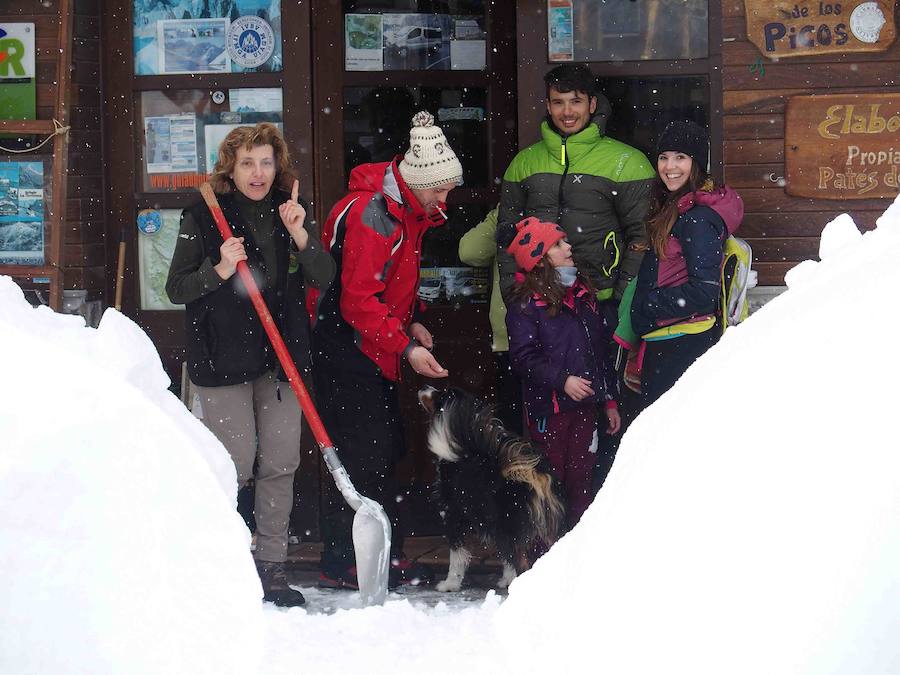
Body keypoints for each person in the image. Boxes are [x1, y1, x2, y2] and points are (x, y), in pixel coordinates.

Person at [166, 123, 335, 607]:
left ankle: (272, 568)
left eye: (265, 162)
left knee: (280, 463)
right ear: (230, 168)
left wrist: (301, 234)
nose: (257, 173)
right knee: (232, 466)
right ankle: (222, 564)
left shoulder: (289, 212)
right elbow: (175, 289)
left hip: (282, 359)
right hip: (222, 359)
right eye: (246, 163)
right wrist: (218, 268)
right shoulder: (203, 215)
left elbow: (325, 278)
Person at [312, 110, 461, 589]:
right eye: (440, 189)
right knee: (362, 455)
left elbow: (393, 283)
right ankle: (345, 559)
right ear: (416, 182)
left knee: (386, 447)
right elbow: (358, 302)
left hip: (376, 345)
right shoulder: (373, 216)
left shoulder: (410, 211)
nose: (446, 198)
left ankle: (381, 552)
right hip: (346, 345)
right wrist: (405, 348)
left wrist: (411, 318)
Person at [497, 63, 655, 304]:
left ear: (592, 104)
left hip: (601, 298)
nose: (567, 112)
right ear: (548, 106)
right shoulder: (523, 163)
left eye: (576, 101)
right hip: (537, 299)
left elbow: (642, 238)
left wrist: (621, 300)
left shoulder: (628, 162)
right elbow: (508, 235)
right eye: (558, 102)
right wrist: (514, 295)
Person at [505, 216, 621, 530]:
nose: (568, 247)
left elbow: (600, 353)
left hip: (586, 409)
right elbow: (523, 358)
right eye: (558, 243)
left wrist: (608, 400)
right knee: (550, 484)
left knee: (582, 480)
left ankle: (578, 552)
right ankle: (548, 557)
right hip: (551, 411)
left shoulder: (585, 297)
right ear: (540, 258)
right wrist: (562, 380)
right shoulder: (526, 305)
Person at [628, 120, 744, 407]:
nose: (670, 166)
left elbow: (704, 292)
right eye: (664, 157)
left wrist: (648, 305)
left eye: (681, 157)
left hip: (681, 342)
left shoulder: (699, 219)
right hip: (671, 336)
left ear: (697, 164)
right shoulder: (679, 207)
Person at [458, 206, 523, 434]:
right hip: (514, 336)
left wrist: (501, 215)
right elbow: (469, 251)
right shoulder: (509, 212)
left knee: (517, 428)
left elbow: (470, 251)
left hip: (512, 336)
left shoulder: (509, 211)